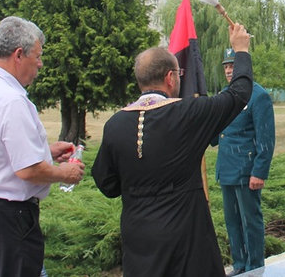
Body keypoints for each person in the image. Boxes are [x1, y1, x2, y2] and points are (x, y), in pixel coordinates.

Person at [91, 24, 253, 277]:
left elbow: (107, 184)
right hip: (184, 235)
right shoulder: (188, 113)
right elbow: (239, 94)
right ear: (170, 77)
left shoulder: (115, 124)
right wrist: (241, 50)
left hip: (138, 235)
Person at [0, 16, 85, 277]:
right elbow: (29, 171)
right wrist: (66, 173)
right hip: (7, 216)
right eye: (37, 56)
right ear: (19, 54)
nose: (40, 64)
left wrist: (45, 151)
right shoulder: (10, 99)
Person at [211, 48, 275, 276]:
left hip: (247, 171)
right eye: (226, 67)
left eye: (233, 66)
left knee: (250, 221)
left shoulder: (258, 96)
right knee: (232, 221)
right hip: (227, 168)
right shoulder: (225, 95)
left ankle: (255, 267)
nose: (229, 70)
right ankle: (239, 265)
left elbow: (266, 138)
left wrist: (260, 172)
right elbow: (217, 131)